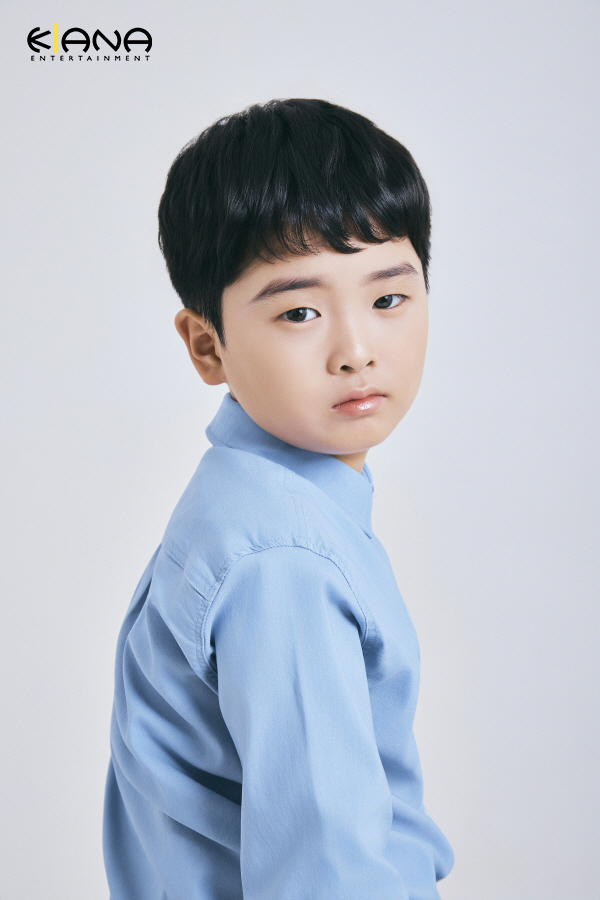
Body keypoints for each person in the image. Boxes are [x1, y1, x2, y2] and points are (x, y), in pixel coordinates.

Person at [103, 97, 454, 900]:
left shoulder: (252, 501)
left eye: (388, 299)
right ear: (207, 346)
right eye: (299, 311)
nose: (356, 350)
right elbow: (324, 875)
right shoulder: (284, 558)